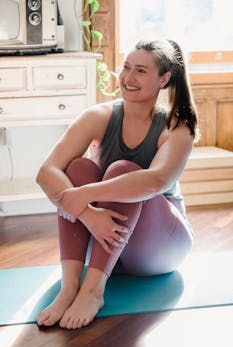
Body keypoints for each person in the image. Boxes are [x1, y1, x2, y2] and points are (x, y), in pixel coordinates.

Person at [36, 39, 198, 329]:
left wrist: (85, 194)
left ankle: (93, 291)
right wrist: (88, 213)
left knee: (123, 170)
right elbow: (46, 172)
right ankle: (70, 287)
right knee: (77, 167)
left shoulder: (176, 127)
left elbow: (156, 180)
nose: (128, 77)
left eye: (140, 71)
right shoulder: (99, 116)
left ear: (164, 79)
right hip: (105, 236)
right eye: (125, 67)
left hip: (159, 247)